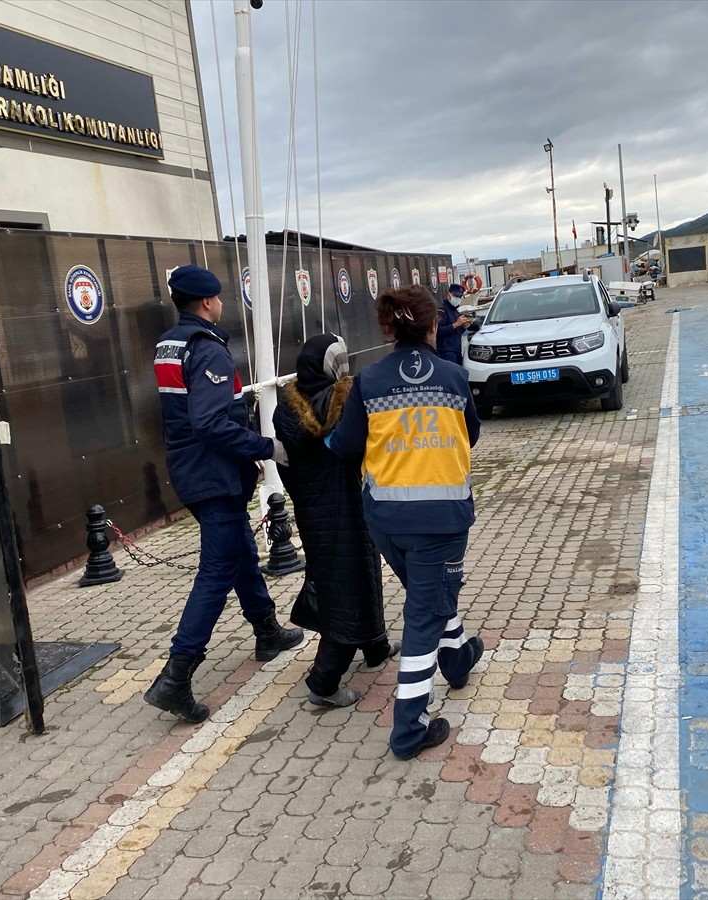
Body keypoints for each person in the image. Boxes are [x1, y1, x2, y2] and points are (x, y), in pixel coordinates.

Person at [326, 285, 485, 760]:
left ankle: (457, 661)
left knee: (428, 595)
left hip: (387, 522)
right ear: (434, 325)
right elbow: (470, 435)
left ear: (389, 328)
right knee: (423, 618)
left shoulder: (368, 381)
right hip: (441, 521)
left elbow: (344, 445)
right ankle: (409, 729)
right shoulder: (454, 377)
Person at [145, 264, 304, 723]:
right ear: (208, 302)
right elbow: (211, 422)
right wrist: (266, 447)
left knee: (238, 553)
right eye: (218, 298)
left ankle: (267, 631)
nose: (220, 304)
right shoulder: (207, 349)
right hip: (214, 475)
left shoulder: (170, 343)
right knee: (217, 571)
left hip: (191, 470)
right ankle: (176, 676)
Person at [273, 333, 400, 708]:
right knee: (349, 591)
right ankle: (324, 683)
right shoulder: (345, 403)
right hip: (347, 506)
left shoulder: (286, 408)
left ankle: (375, 645)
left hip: (313, 512)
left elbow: (290, 467)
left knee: (346, 579)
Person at [435, 283, 472, 364]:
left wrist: (463, 327)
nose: (458, 299)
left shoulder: (455, 311)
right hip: (446, 352)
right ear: (449, 294)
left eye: (460, 297)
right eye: (456, 296)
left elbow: (456, 331)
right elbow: (438, 331)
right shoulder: (441, 310)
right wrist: (456, 324)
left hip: (457, 350)